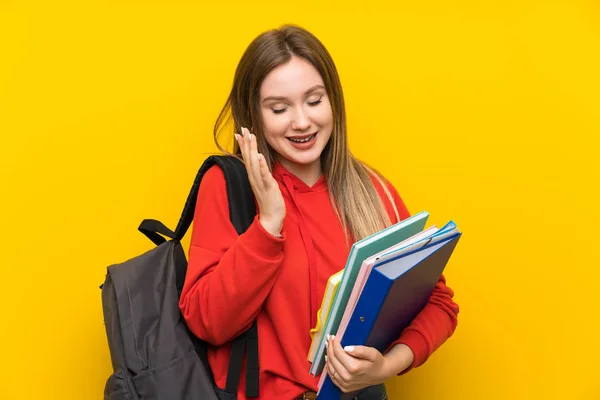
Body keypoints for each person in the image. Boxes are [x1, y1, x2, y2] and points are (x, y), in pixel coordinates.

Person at [179, 24, 459, 400]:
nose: (301, 122)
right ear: (255, 116)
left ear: (333, 102)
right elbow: (208, 322)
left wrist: (387, 366)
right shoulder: (228, 185)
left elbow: (438, 303)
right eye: (279, 108)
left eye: (314, 100)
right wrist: (267, 225)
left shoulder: (373, 191)